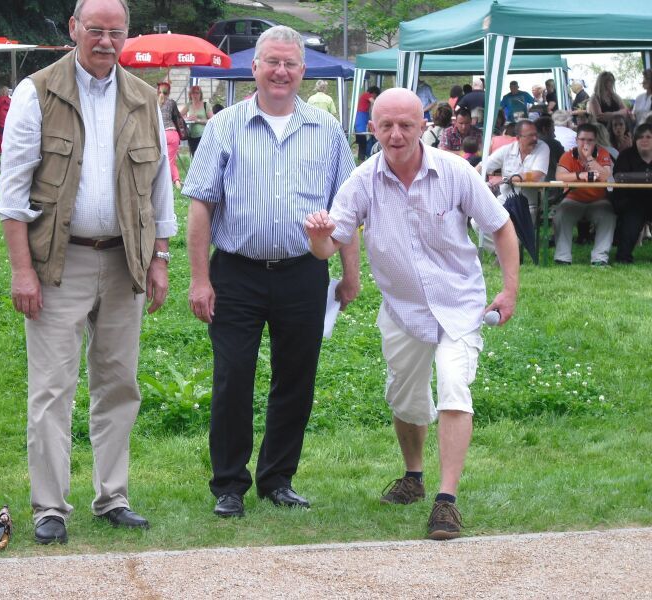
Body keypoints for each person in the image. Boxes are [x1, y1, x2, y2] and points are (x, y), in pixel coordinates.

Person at [0, 0, 177, 545]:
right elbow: (12, 194)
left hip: (125, 260)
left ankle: (112, 496)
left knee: (119, 383)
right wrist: (22, 271)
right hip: (59, 261)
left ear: (127, 35)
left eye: (114, 31)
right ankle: (50, 506)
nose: (104, 40)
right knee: (52, 387)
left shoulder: (144, 99)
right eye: (94, 29)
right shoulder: (38, 92)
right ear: (73, 29)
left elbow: (162, 187)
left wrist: (160, 257)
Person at [304, 88, 519, 541]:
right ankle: (413, 476)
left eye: (406, 124)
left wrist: (509, 290)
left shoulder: (456, 172)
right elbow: (329, 245)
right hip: (402, 310)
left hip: (459, 304)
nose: (396, 134)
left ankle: (446, 502)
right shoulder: (361, 180)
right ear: (373, 128)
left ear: (424, 125)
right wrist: (318, 237)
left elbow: (501, 227)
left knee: (454, 388)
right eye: (386, 126)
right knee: (405, 397)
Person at [184, 25, 360, 519]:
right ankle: (230, 485)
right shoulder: (224, 125)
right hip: (236, 273)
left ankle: (278, 479)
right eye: (272, 62)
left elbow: (346, 209)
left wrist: (350, 274)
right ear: (254, 67)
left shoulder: (326, 131)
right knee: (233, 376)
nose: (281, 71)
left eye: (290, 64)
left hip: (304, 272)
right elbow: (200, 206)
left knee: (296, 379)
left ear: (302, 72)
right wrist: (200, 279)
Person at [554, 123, 615, 266]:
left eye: (590, 140)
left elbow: (605, 176)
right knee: (560, 215)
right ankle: (563, 257)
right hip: (573, 199)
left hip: (598, 200)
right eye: (582, 139)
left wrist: (589, 158)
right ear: (576, 140)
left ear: (595, 141)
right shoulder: (568, 155)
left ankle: (600, 258)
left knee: (609, 217)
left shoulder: (603, 154)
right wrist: (579, 175)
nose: (585, 143)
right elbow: (559, 176)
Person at [612, 123, 652, 263]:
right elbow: (618, 177)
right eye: (640, 137)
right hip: (632, 200)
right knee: (631, 221)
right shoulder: (626, 155)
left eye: (648, 136)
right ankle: (624, 257)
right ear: (635, 140)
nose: (644, 140)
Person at [157, 81, 181, 189]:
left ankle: (171, 183)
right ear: (169, 92)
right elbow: (177, 118)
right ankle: (177, 185)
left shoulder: (154, 104)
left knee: (163, 160)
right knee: (170, 161)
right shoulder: (172, 103)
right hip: (172, 133)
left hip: (161, 134)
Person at [180, 85, 213, 157]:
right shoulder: (189, 104)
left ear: (200, 94)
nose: (195, 95)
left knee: (202, 157)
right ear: (190, 94)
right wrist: (187, 118)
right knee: (194, 156)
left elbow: (212, 121)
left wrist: (197, 120)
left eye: (197, 93)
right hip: (191, 136)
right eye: (193, 93)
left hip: (204, 136)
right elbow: (178, 115)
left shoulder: (206, 105)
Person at [354, 85, 379, 162]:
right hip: (360, 117)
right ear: (374, 93)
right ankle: (361, 160)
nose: (375, 97)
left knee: (363, 140)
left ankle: (362, 159)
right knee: (362, 139)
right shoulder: (366, 95)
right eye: (376, 95)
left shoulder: (365, 97)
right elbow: (374, 102)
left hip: (363, 116)